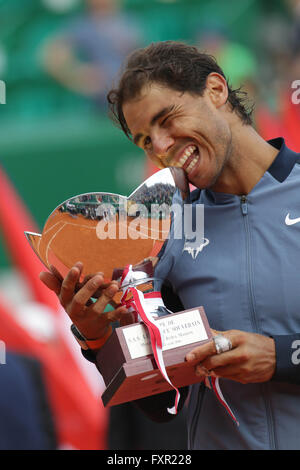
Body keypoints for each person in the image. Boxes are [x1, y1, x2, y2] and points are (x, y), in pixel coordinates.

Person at [40, 41, 300, 450]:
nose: (160, 148)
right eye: (145, 140)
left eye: (167, 119)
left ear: (215, 90)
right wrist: (100, 337)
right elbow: (160, 403)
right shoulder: (161, 232)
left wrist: (281, 356)